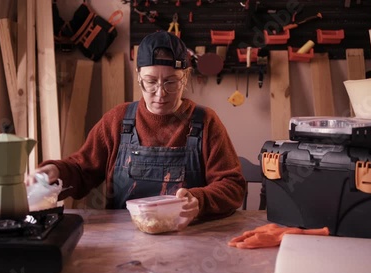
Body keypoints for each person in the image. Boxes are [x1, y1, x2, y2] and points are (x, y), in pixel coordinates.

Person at [28, 31, 246, 229]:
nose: (160, 93)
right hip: (123, 239)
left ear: (185, 77)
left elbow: (233, 186)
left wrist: (200, 200)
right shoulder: (118, 120)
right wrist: (56, 172)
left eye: (171, 82)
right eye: (151, 82)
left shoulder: (205, 121)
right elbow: (81, 170)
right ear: (139, 76)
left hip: (189, 237)